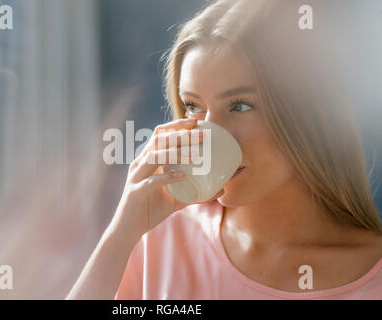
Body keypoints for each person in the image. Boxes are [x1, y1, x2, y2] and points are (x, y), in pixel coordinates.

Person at [67, 0, 382, 299]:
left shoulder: (371, 273)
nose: (209, 133)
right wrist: (120, 235)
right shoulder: (158, 238)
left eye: (240, 105)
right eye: (193, 106)